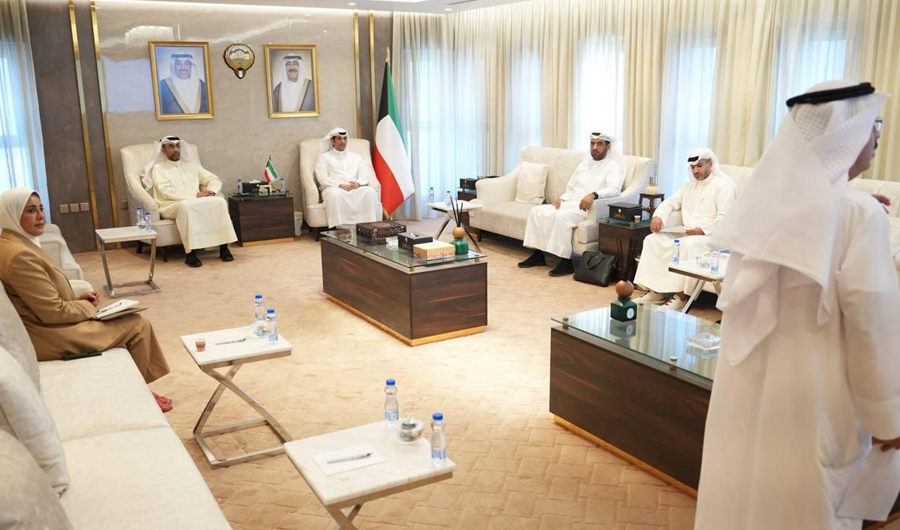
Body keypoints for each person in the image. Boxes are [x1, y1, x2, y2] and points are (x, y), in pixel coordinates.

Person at [695, 81, 900, 530]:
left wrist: (855, 203)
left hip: (748, 389)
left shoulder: (765, 204)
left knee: (744, 494)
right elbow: (873, 327)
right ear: (844, 134)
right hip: (814, 399)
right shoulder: (858, 214)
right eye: (873, 124)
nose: (876, 135)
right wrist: (889, 418)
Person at [0, 189, 172, 412]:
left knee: (128, 321)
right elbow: (52, 312)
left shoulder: (13, 243)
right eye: (31, 211)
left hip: (43, 325)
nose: (41, 216)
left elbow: (38, 297)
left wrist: (76, 299)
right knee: (137, 326)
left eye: (41, 208)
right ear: (11, 214)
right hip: (47, 334)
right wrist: (86, 307)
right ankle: (139, 395)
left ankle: (137, 390)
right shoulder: (19, 255)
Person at [633, 148, 736, 310]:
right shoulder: (689, 186)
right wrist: (658, 216)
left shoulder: (723, 187)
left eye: (699, 166)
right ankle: (655, 292)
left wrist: (702, 230)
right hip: (688, 232)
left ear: (710, 163)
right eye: (692, 167)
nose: (695, 171)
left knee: (685, 245)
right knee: (652, 240)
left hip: (712, 236)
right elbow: (670, 202)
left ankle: (681, 297)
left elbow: (725, 218)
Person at [518, 132, 625, 276]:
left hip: (587, 208)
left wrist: (593, 195)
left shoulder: (612, 166)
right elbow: (571, 187)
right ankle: (537, 255)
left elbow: (614, 189)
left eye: (599, 144)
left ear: (608, 146)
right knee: (536, 211)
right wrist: (562, 198)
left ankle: (566, 263)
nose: (595, 147)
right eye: (592, 143)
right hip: (571, 202)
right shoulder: (584, 165)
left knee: (561, 217)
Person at [143, 136, 238, 268]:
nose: (176, 149)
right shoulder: (159, 168)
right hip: (170, 205)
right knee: (186, 206)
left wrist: (211, 191)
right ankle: (190, 253)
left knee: (219, 201)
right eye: (171, 146)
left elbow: (213, 179)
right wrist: (195, 195)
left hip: (195, 202)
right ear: (163, 150)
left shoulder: (191, 166)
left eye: (178, 146)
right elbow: (165, 191)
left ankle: (224, 248)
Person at [315, 127, 381, 227]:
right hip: (334, 188)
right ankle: (341, 228)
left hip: (355, 188)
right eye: (339, 138)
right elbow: (322, 178)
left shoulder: (356, 156)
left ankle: (369, 226)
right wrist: (339, 185)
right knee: (334, 195)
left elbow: (364, 174)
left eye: (345, 138)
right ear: (332, 141)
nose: (343, 141)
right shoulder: (324, 157)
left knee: (370, 192)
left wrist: (358, 183)